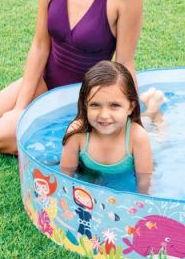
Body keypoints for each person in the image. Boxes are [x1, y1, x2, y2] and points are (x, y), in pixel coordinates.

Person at [0, 0, 160, 155]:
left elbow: (124, 63)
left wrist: (134, 124)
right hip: (45, 81)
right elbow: (40, 45)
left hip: (83, 101)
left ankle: (147, 114)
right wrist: (19, 108)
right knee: (8, 120)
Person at [60, 61, 153, 194]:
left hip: (148, 141)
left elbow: (144, 182)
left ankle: (153, 104)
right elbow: (65, 175)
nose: (104, 115)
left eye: (114, 105)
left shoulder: (137, 137)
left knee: (154, 128)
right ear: (85, 105)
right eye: (95, 105)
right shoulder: (77, 133)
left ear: (130, 107)